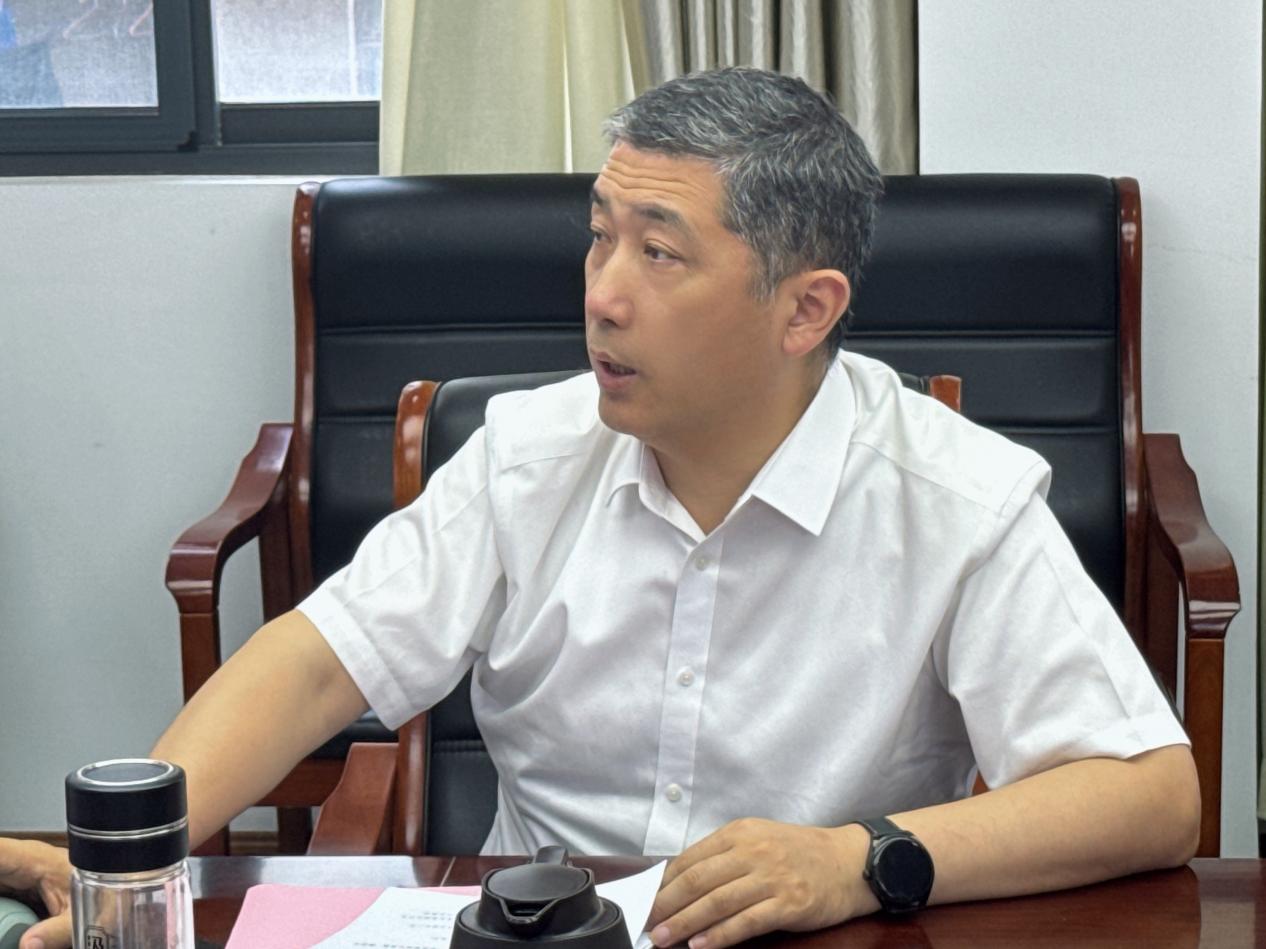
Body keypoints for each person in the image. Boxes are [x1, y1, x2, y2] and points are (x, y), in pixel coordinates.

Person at [2, 67, 1198, 949]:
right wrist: (124, 862)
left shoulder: (954, 497)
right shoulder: (529, 456)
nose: (602, 297)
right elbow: (316, 666)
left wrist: (863, 858)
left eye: (659, 253)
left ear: (806, 308)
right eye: (597, 240)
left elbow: (1151, 793)